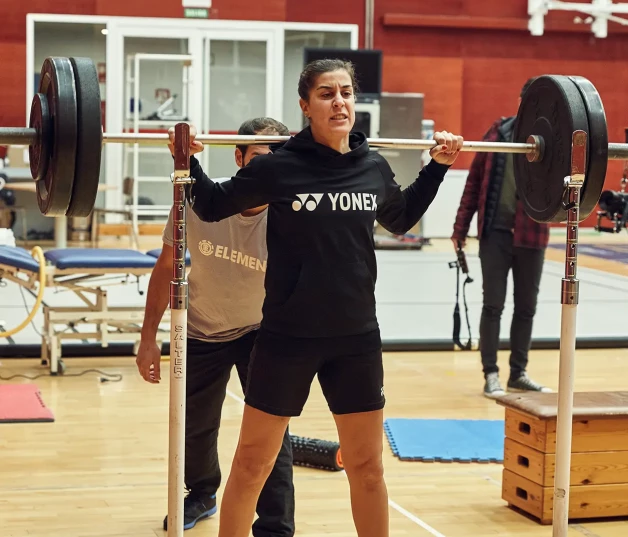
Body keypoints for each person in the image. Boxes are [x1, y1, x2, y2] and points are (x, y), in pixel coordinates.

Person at [168, 58, 463, 537]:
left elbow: (401, 218)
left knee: (367, 467)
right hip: (288, 339)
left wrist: (438, 167)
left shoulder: (372, 166)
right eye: (326, 94)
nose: (339, 101)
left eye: (346, 92)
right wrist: (189, 162)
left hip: (356, 339)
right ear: (306, 106)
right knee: (250, 466)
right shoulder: (280, 167)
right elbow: (212, 202)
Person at [136, 117, 296, 536]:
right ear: (239, 157)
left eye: (279, 157)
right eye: (260, 157)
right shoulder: (200, 200)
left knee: (270, 434)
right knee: (193, 425)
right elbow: (167, 266)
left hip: (262, 331)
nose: (270, 167)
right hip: (202, 327)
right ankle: (202, 494)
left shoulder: (290, 214)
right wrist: (148, 339)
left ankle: (276, 525)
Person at [451, 77, 553, 399]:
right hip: (495, 234)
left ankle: (518, 374)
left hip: (532, 236)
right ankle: (491, 373)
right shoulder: (498, 133)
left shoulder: (552, 143)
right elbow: (474, 182)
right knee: (493, 305)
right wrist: (459, 229)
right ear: (522, 101)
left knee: (526, 308)